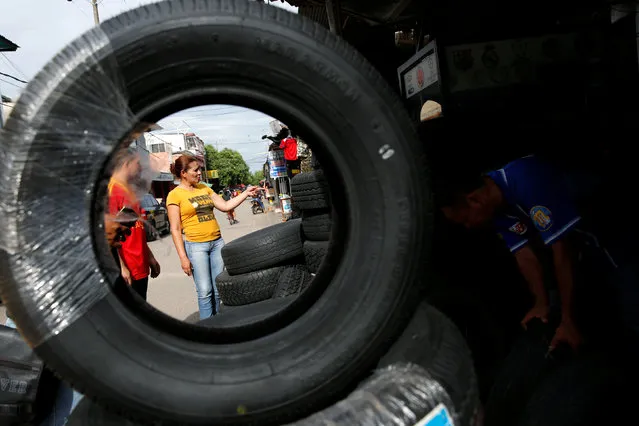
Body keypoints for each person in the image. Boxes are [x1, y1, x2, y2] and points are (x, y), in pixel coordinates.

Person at [438, 154, 639, 352]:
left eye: (465, 220)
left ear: (474, 201)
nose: (468, 227)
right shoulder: (496, 208)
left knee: (631, 307)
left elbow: (562, 251)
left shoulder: (526, 179)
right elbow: (524, 256)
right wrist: (541, 304)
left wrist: (568, 320)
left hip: (612, 228)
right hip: (586, 245)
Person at [166, 155, 259, 319]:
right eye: (195, 170)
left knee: (217, 290)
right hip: (196, 247)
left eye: (199, 169)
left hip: (216, 243)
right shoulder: (175, 195)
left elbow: (225, 205)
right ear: (183, 173)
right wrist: (183, 257)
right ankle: (207, 329)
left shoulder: (204, 188)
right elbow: (175, 229)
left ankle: (217, 323)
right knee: (205, 292)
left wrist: (245, 193)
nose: (200, 172)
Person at [107, 148, 161, 300]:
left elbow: (137, 229)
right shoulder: (111, 191)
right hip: (128, 270)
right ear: (126, 163)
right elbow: (109, 236)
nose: (140, 168)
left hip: (140, 265)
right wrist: (122, 268)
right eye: (137, 164)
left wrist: (149, 257)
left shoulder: (130, 192)